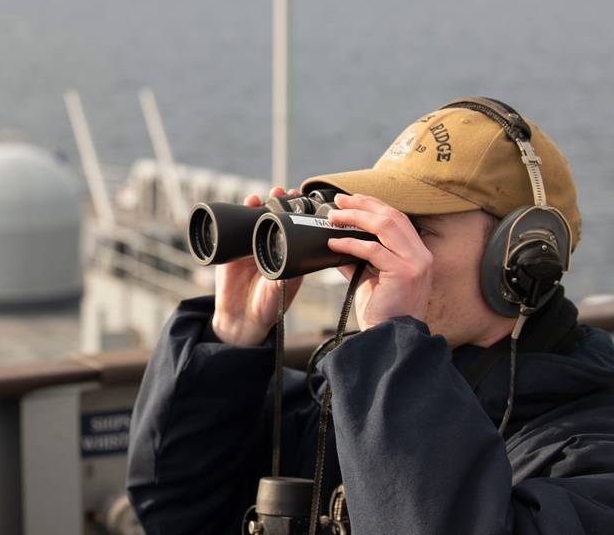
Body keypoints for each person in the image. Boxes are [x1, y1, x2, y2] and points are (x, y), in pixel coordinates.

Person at [126, 97, 614, 534]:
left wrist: (389, 353)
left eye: (413, 232)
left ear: (521, 257)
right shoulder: (350, 402)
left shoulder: (590, 451)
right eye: (377, 225)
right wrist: (230, 339)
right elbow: (178, 512)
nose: (378, 253)